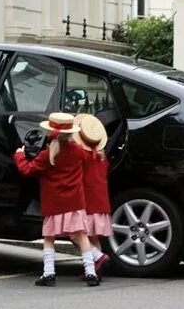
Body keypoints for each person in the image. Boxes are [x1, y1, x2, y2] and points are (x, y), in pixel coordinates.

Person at [13, 112, 100, 287]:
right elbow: (90, 159)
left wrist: (19, 155)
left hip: (53, 203)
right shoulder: (79, 151)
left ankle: (49, 273)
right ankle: (91, 272)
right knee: (82, 236)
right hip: (75, 202)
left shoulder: (47, 155)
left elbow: (27, 170)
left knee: (49, 238)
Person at [72, 114, 112, 279]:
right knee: (93, 237)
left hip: (87, 203)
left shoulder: (82, 157)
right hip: (102, 203)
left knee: (75, 234)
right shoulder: (103, 158)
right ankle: (96, 270)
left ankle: (98, 257)